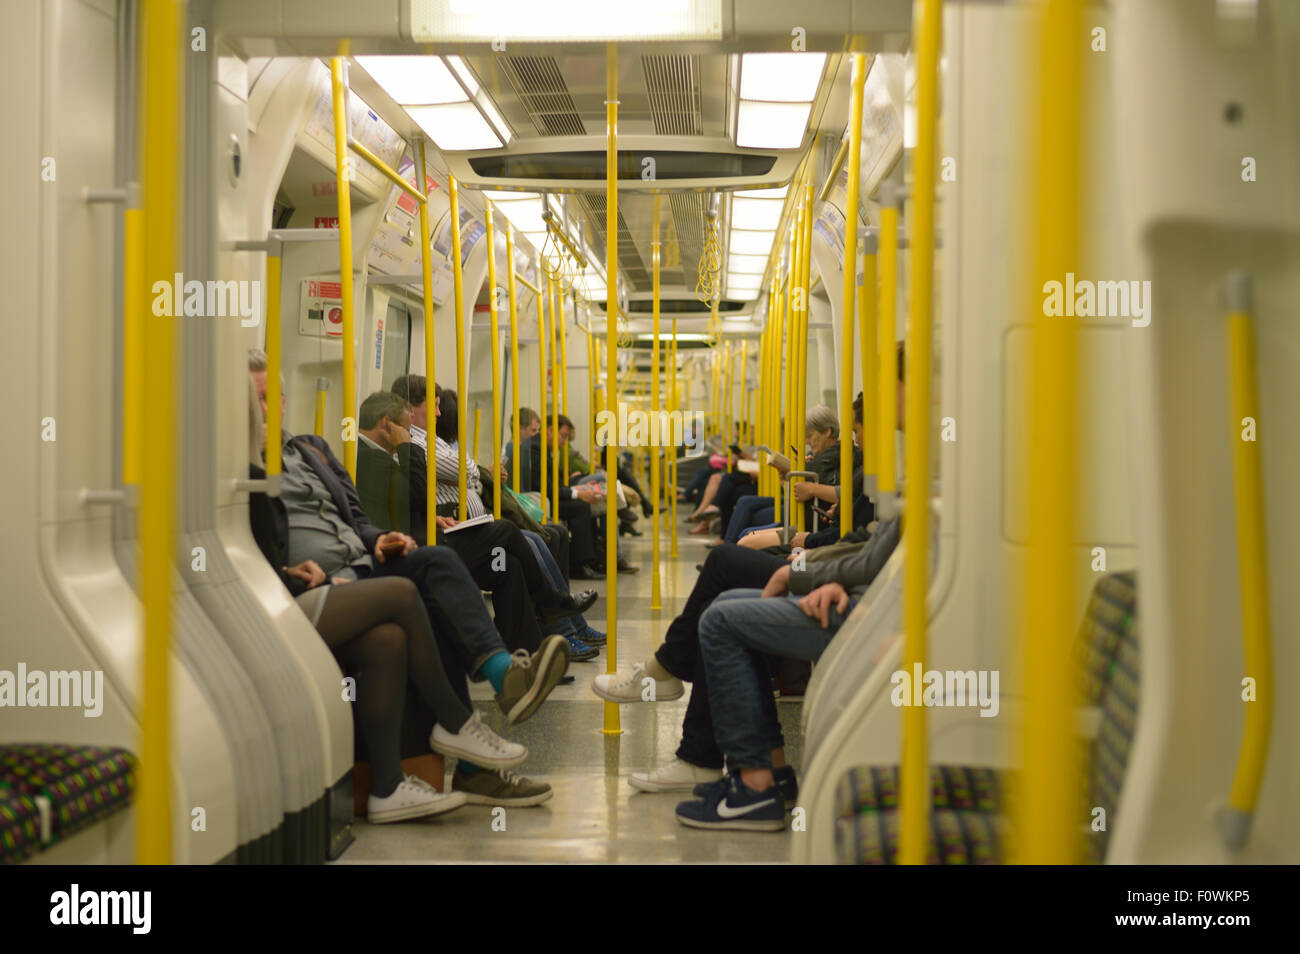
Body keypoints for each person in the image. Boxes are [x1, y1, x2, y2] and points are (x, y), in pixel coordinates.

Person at [250, 352, 567, 805]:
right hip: (308, 588)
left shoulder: (312, 449)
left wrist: (379, 538)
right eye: (252, 400)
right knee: (418, 597)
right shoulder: (237, 469)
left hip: (362, 564)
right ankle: (469, 730)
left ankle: (489, 697)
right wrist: (290, 576)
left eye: (269, 399)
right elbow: (243, 547)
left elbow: (356, 515)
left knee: (438, 564)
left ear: (282, 401)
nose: (263, 409)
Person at [354, 389, 596, 656]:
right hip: (420, 549)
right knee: (504, 530)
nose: (409, 435)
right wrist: (407, 446)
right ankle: (550, 601)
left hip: (433, 531)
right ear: (387, 424)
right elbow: (418, 494)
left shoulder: (384, 455)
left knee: (506, 566)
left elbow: (406, 500)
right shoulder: (367, 457)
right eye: (405, 430)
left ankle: (527, 655)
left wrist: (433, 515)